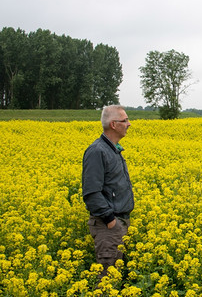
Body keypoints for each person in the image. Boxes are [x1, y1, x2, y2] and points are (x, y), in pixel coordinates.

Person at [82, 105, 134, 279]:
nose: (129, 124)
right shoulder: (97, 151)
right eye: (125, 120)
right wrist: (111, 221)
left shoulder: (113, 149)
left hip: (118, 223)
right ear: (113, 124)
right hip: (108, 227)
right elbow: (91, 192)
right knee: (107, 280)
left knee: (116, 277)